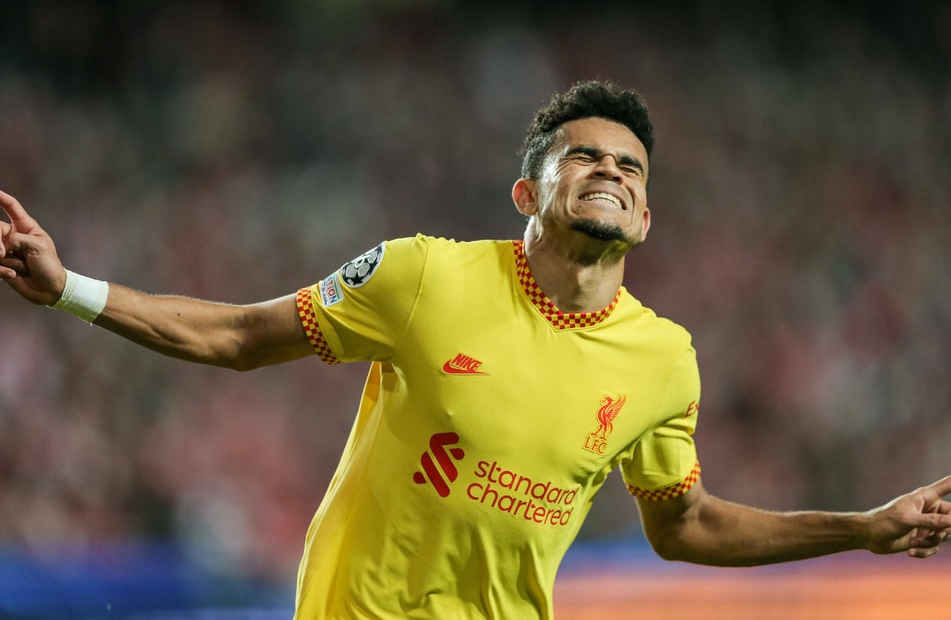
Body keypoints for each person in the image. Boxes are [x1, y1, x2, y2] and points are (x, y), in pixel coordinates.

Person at [1, 80, 949, 620]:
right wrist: (69, 290)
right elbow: (242, 338)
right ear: (526, 193)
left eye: (628, 166)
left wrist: (861, 528)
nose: (608, 171)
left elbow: (684, 526)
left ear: (647, 217)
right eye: (582, 155)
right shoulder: (421, 276)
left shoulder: (664, 359)